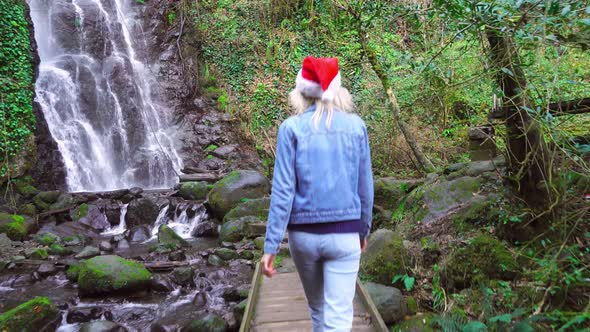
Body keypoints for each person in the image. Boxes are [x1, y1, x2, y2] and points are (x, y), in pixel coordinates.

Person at [261, 56, 374, 332]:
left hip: (304, 239)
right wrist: (363, 231)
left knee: (318, 311)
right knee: (338, 319)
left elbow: (283, 191)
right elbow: (365, 188)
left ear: (301, 92)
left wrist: (271, 246)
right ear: (338, 91)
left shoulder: (290, 129)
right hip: (345, 234)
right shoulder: (356, 127)